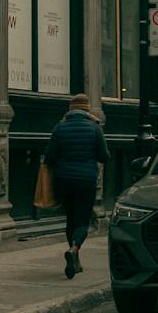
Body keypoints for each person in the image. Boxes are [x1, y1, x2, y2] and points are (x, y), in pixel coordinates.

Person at [43, 93, 105, 279]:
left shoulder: (60, 127)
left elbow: (50, 156)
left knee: (70, 219)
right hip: (86, 180)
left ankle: (75, 260)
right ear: (87, 109)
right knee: (83, 221)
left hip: (64, 180)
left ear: (70, 109)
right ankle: (75, 248)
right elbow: (104, 156)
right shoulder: (94, 129)